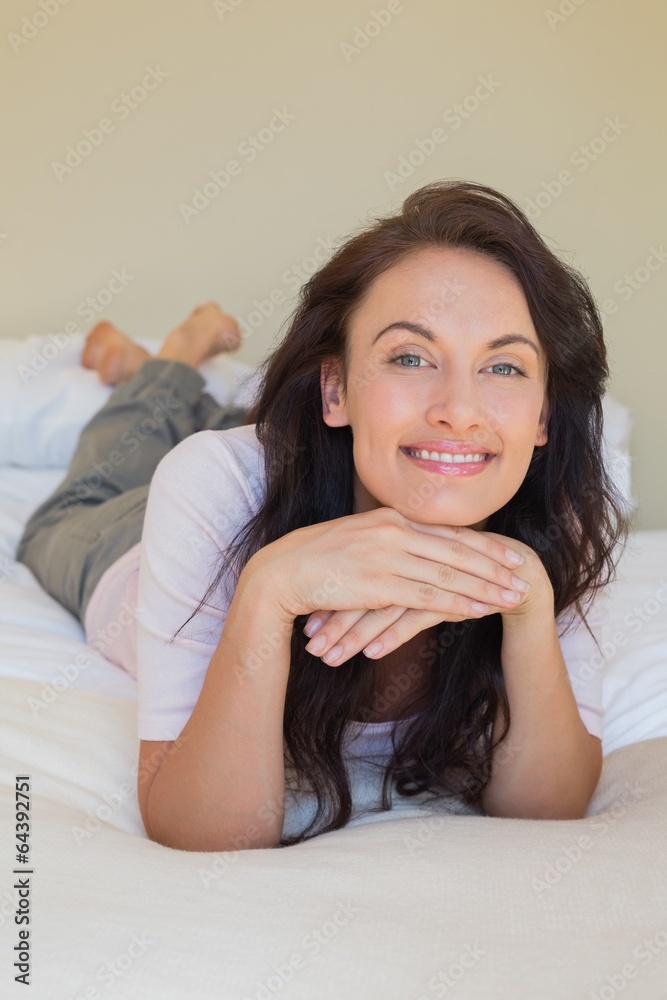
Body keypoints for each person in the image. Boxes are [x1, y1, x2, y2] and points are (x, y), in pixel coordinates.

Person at [16, 180, 631, 853]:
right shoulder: (213, 484)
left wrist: (524, 602)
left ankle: (216, 395)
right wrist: (267, 591)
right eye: (409, 357)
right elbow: (204, 834)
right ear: (334, 389)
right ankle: (171, 362)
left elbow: (546, 812)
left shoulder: (559, 514)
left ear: (543, 413)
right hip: (124, 541)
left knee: (270, 433)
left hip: (317, 455)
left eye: (504, 367)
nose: (459, 410)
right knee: (94, 485)